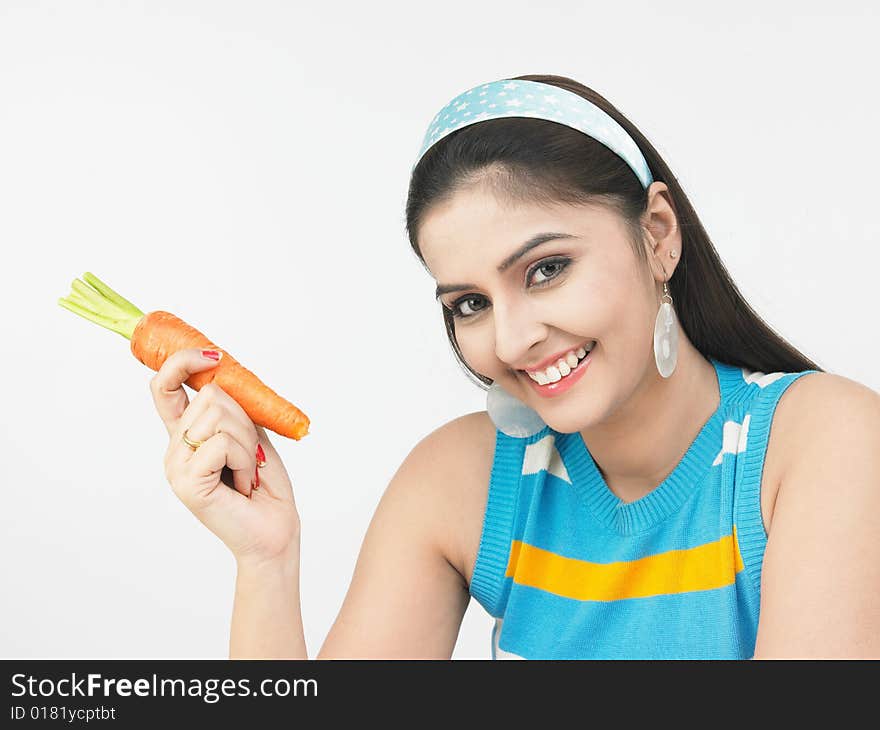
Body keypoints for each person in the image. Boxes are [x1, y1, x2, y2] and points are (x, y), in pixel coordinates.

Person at [150, 74, 880, 659]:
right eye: (469, 304)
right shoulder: (462, 480)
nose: (511, 340)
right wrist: (267, 562)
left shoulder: (823, 443)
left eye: (546, 269)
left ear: (657, 235)